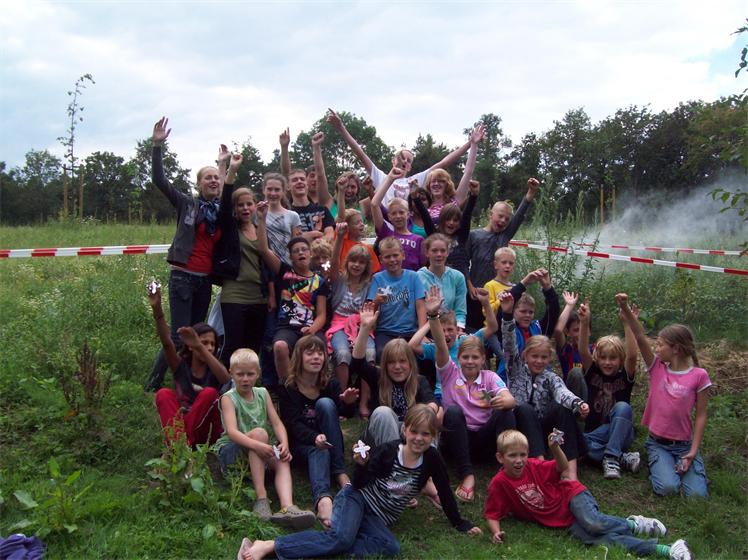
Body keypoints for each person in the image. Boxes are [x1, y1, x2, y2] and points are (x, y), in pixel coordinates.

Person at [237, 405, 482, 560]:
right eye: (414, 431)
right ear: (404, 430)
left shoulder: (432, 458)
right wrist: (362, 465)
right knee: (341, 539)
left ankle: (334, 538)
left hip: (378, 519)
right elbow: (358, 484)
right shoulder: (388, 451)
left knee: (391, 548)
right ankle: (270, 546)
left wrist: (460, 523)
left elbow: (444, 491)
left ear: (433, 436)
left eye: (426, 434)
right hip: (357, 499)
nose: (419, 438)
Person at [484, 430, 693, 560]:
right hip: (563, 522)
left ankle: (634, 524)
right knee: (604, 541)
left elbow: (562, 467)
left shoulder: (533, 465)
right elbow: (492, 514)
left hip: (571, 496)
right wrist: (496, 532)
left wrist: (555, 448)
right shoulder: (499, 483)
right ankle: (666, 550)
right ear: (500, 458)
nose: (519, 460)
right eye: (512, 456)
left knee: (594, 523)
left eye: (523, 454)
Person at [145, 117, 226, 392]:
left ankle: (188, 381)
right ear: (199, 184)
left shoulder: (221, 211)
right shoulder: (187, 204)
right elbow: (159, 180)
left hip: (205, 280)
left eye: (216, 177)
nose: (213, 181)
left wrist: (223, 164)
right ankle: (154, 385)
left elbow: (225, 190)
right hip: (183, 277)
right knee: (180, 335)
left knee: (195, 334)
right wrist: (157, 146)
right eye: (207, 178)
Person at [617, 294, 710, 499]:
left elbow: (701, 415)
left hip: (685, 445)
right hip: (658, 443)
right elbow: (640, 337)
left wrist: (693, 451)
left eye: (660, 345)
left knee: (697, 496)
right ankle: (664, 466)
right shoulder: (657, 368)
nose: (656, 348)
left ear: (675, 349)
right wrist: (625, 308)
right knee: (667, 488)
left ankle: (692, 467)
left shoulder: (699, 376)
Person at [429, 285, 516, 503]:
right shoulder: (450, 373)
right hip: (459, 439)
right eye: (465, 357)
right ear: (459, 358)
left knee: (506, 412)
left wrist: (505, 401)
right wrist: (433, 316)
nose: (469, 361)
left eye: (475, 357)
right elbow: (441, 346)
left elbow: (509, 398)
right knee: (453, 412)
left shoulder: (489, 377)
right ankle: (467, 476)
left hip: (485, 440)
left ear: (482, 359)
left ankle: (507, 471)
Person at [214, 349, 315, 529]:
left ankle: (287, 507)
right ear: (231, 373)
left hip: (256, 450)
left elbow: (276, 423)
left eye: (250, 374)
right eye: (240, 374)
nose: (245, 379)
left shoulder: (262, 393)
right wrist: (258, 445)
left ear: (258, 373)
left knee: (281, 457)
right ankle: (261, 500)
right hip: (231, 452)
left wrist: (284, 444)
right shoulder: (228, 398)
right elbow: (232, 432)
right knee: (260, 434)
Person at [500, 292, 587, 481]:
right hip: (521, 426)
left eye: (544, 357)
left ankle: (570, 472)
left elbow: (562, 392)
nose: (539, 361)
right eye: (534, 356)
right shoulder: (515, 369)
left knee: (562, 408)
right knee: (525, 409)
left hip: (544, 426)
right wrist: (507, 314)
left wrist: (578, 403)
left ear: (549, 358)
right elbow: (508, 343)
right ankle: (539, 466)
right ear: (525, 355)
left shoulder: (550, 377)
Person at [277, 335, 359, 528]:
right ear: (299, 357)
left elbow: (344, 413)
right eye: (310, 353)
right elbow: (292, 424)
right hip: (300, 445)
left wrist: (348, 403)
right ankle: (323, 500)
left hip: (327, 439)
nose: (316, 357)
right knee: (319, 450)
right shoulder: (288, 387)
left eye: (320, 353)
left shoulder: (330, 383)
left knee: (326, 403)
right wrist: (314, 438)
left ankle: (339, 472)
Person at [327, 108, 479, 207]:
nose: (404, 161)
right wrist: (341, 128)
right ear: (393, 161)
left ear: (410, 167)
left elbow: (444, 162)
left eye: (409, 160)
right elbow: (360, 153)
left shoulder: (415, 181)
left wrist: (470, 143)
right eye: (401, 158)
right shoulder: (381, 177)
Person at [256, 201, 330, 381]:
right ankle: (288, 387)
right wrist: (261, 219)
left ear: (310, 253)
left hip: (311, 326)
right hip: (287, 327)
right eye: (296, 251)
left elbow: (321, 314)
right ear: (290, 256)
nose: (301, 253)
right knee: (280, 346)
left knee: (320, 347)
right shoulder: (284, 272)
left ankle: (319, 385)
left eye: (304, 249)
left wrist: (312, 329)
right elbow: (263, 250)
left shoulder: (320, 281)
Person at [148, 284, 228, 447]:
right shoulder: (181, 366)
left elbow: (225, 378)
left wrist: (200, 346)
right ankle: (180, 447)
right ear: (190, 346)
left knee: (209, 393)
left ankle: (180, 448)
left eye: (212, 344)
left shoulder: (214, 369)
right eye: (204, 342)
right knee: (163, 393)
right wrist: (157, 310)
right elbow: (167, 344)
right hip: (181, 426)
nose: (210, 348)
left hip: (207, 431)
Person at [351, 302, 439, 446]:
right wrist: (365, 328)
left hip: (410, 431)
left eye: (402, 361)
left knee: (427, 420)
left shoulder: (419, 380)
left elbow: (432, 402)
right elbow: (357, 363)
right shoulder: (378, 376)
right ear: (385, 364)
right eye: (392, 362)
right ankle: (392, 458)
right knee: (383, 412)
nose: (397, 367)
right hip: (382, 434)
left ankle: (424, 460)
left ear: (410, 363)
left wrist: (427, 413)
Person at [212, 153, 268, 364]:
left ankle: (248, 384)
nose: (245, 208)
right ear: (235, 209)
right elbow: (224, 204)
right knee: (232, 346)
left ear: (255, 205)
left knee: (253, 348)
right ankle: (222, 383)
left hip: (259, 297)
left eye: (249, 204)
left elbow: (266, 260)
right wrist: (232, 170)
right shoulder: (230, 228)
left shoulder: (261, 228)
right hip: (234, 295)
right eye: (240, 205)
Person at [577, 298, 641, 479]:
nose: (607, 362)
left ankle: (612, 456)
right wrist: (584, 323)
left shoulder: (624, 376)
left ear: (620, 359)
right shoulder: (592, 372)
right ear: (597, 358)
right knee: (579, 442)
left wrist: (628, 324)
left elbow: (632, 356)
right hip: (596, 434)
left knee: (623, 407)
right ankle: (622, 458)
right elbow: (582, 351)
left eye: (612, 358)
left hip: (621, 432)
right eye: (603, 357)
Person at [465, 178, 540, 330]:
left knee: (495, 331)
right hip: (475, 293)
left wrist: (530, 193)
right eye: (500, 216)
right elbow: (464, 262)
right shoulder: (473, 235)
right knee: (474, 331)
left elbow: (518, 217)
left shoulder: (504, 236)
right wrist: (469, 284)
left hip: (497, 296)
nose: (503, 220)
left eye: (507, 219)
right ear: (490, 214)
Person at [409, 289, 497, 404]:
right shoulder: (434, 348)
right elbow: (412, 345)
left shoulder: (466, 342)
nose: (446, 334)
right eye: (442, 330)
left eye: (450, 329)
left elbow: (492, 327)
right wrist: (431, 320)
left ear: (457, 329)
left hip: (469, 391)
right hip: (443, 393)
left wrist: (486, 303)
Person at [257, 171, 302, 392]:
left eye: (277, 189)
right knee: (268, 329)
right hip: (266, 273)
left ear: (284, 191)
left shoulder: (292, 216)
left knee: (287, 325)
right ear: (264, 190)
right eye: (270, 189)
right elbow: (261, 247)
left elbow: (297, 242)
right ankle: (269, 382)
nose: (273, 193)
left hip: (288, 274)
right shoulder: (259, 214)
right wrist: (260, 218)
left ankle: (291, 377)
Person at [327, 223, 375, 390]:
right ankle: (343, 396)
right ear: (347, 262)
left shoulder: (369, 284)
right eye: (353, 261)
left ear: (366, 266)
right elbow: (334, 262)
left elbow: (372, 310)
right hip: (339, 324)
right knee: (342, 353)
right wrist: (340, 237)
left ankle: (365, 400)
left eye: (361, 262)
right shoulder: (339, 280)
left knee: (370, 353)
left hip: (361, 325)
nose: (356, 265)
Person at [366, 237, 426, 359]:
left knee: (420, 354)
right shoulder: (377, 279)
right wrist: (376, 302)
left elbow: (420, 307)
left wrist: (422, 333)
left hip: (410, 331)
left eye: (395, 255)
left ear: (403, 255)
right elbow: (370, 310)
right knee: (383, 354)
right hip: (385, 331)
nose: (392, 260)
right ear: (381, 259)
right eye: (387, 257)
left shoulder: (413, 277)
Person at [411, 179, 479, 283]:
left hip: (458, 283)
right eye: (448, 219)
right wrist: (415, 198)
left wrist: (473, 195)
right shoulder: (435, 235)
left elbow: (467, 215)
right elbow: (425, 216)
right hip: (436, 282)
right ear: (442, 220)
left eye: (455, 220)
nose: (451, 223)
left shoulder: (461, 236)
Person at [421, 124, 484, 220]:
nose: (436, 184)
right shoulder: (423, 205)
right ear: (428, 185)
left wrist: (474, 144)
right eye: (433, 181)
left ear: (447, 185)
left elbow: (467, 173)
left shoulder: (454, 201)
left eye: (441, 181)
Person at [371, 167, 425, 271]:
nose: (398, 216)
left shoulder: (419, 239)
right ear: (389, 216)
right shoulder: (386, 234)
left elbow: (422, 265)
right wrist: (390, 179)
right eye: (394, 213)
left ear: (408, 214)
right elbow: (374, 204)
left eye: (401, 212)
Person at [288, 133, 335, 243]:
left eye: (302, 179)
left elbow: (330, 234)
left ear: (307, 184)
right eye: (295, 180)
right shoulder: (287, 214)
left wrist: (316, 147)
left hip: (321, 253)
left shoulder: (322, 210)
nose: (299, 181)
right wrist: (307, 237)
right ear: (287, 187)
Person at [417, 233, 468, 330]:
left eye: (443, 251)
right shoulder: (418, 277)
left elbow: (460, 311)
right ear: (427, 253)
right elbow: (417, 310)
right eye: (434, 251)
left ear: (447, 253)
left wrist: (459, 329)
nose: (439, 254)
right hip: (427, 328)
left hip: (451, 328)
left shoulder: (458, 277)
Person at [553, 291, 588, 399]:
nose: (580, 333)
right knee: (576, 373)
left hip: (591, 396)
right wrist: (569, 306)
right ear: (568, 332)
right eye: (576, 330)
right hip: (571, 398)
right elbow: (558, 331)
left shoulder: (595, 350)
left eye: (584, 329)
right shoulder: (568, 350)